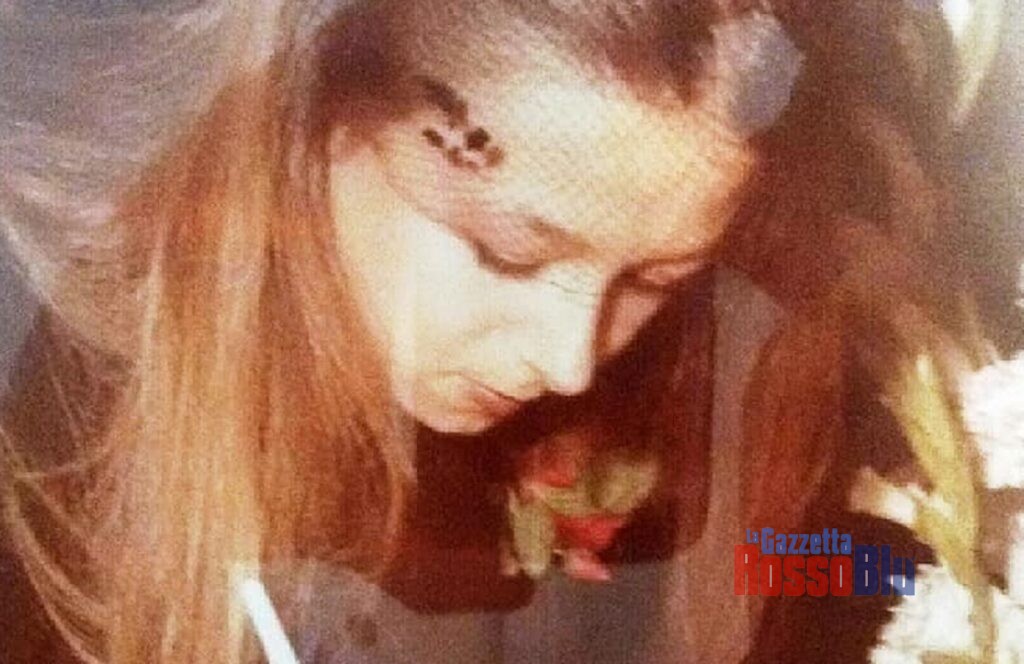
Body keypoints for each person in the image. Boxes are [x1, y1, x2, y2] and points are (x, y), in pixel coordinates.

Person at [0, 0, 980, 662]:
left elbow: (813, 564)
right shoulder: (51, 427)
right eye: (508, 252)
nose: (569, 360)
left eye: (654, 278)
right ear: (307, 122)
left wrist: (923, 579)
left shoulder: (677, 376)